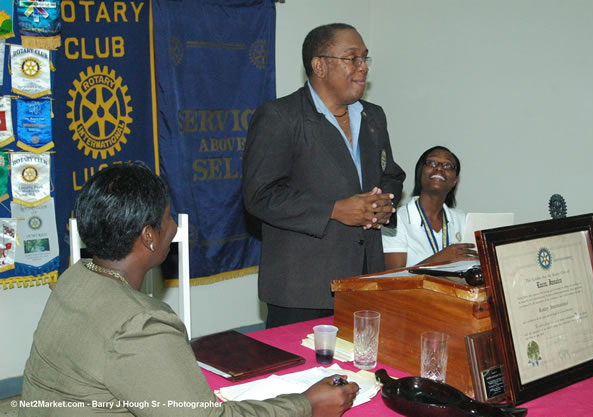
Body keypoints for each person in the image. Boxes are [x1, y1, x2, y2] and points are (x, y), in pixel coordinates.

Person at [19, 162, 358, 417]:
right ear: (149, 236)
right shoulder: (140, 323)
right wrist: (306, 405)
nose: (173, 227)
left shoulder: (76, 278)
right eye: (167, 218)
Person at [243, 23, 406, 328]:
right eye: (352, 58)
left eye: (365, 59)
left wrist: (385, 202)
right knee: (304, 376)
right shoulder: (280, 117)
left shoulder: (374, 116)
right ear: (319, 65)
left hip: (364, 281)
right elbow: (260, 195)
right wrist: (334, 209)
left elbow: (391, 174)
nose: (363, 68)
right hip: (303, 290)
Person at [382, 146, 478, 269]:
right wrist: (441, 259)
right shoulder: (395, 219)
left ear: (455, 180)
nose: (439, 168)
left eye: (447, 165)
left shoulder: (464, 220)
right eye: (432, 163)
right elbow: (393, 279)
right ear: (420, 172)